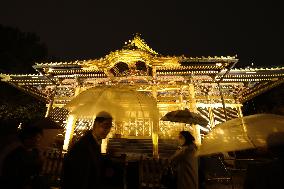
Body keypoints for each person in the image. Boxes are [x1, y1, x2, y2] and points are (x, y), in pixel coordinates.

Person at [61, 111, 114, 189]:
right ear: (96, 124)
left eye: (110, 127)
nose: (107, 130)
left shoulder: (94, 143)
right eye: (105, 126)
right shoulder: (84, 145)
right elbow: (80, 175)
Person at [0, 122, 44, 189]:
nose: (39, 140)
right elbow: (10, 174)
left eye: (39, 137)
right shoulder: (15, 154)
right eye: (37, 137)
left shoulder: (36, 152)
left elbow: (37, 170)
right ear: (27, 138)